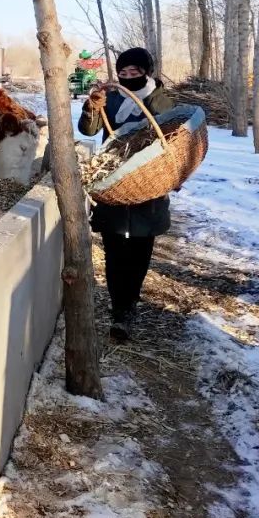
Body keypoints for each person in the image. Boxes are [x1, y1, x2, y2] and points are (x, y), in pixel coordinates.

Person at [78, 47, 174, 341]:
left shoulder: (161, 100)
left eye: (135, 72)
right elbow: (89, 129)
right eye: (123, 73)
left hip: (149, 185)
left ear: (147, 72)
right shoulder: (113, 97)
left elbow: (171, 139)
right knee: (115, 249)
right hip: (114, 183)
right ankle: (120, 311)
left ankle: (130, 301)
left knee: (140, 252)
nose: (128, 77)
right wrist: (92, 107)